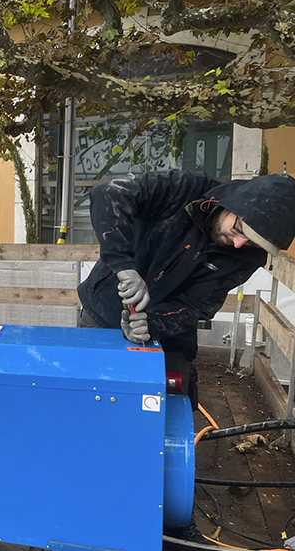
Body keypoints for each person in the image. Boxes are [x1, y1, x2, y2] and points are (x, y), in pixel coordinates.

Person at [78, 170, 295, 411]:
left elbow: (197, 305)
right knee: (89, 394)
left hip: (169, 336)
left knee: (164, 408)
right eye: (239, 229)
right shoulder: (183, 190)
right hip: (102, 310)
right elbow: (109, 195)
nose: (238, 244)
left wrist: (154, 323)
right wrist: (123, 266)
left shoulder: (248, 257)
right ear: (234, 203)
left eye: (252, 242)